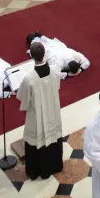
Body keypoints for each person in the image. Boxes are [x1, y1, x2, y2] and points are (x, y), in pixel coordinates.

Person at [16, 41, 63, 180]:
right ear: (44, 54)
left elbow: (23, 100)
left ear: (31, 56)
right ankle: (55, 165)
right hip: (53, 112)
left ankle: (36, 171)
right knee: (52, 137)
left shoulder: (29, 78)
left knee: (37, 140)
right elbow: (57, 87)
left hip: (37, 117)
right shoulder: (55, 70)